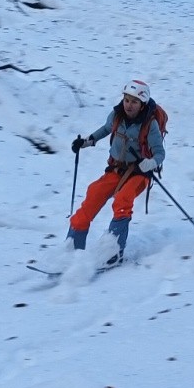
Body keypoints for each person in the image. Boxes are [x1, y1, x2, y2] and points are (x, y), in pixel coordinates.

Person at [68, 79, 164, 262]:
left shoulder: (149, 124)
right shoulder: (116, 115)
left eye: (134, 102)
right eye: (127, 100)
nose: (129, 105)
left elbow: (160, 153)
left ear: (142, 104)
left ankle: (113, 252)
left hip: (139, 173)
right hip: (116, 168)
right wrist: (87, 141)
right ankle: (71, 250)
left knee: (123, 199)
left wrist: (150, 163)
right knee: (93, 194)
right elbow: (105, 129)